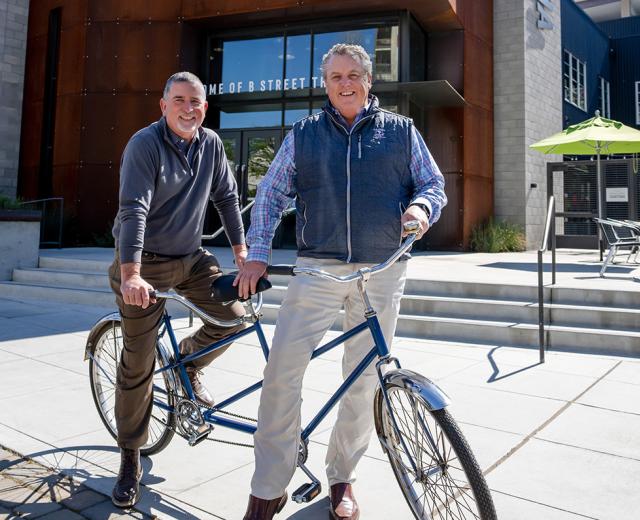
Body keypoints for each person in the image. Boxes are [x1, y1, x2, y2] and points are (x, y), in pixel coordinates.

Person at [235, 44, 447, 520]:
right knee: (281, 372)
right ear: (326, 84)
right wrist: (258, 254)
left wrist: (421, 208)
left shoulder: (402, 131)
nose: (345, 83)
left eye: (354, 75)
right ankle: (268, 487)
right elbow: (270, 193)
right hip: (318, 270)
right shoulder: (304, 134)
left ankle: (342, 477)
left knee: (365, 379)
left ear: (368, 81)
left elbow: (432, 183)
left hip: (383, 269)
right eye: (336, 77)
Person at [108, 71, 247, 508]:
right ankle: (130, 454)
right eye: (181, 100)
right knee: (139, 360)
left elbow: (227, 197)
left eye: (196, 102)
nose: (189, 108)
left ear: (205, 107)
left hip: (191, 258)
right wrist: (131, 273)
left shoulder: (212, 144)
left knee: (234, 318)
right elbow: (133, 209)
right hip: (144, 263)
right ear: (164, 105)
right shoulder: (144, 145)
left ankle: (187, 362)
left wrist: (243, 253)